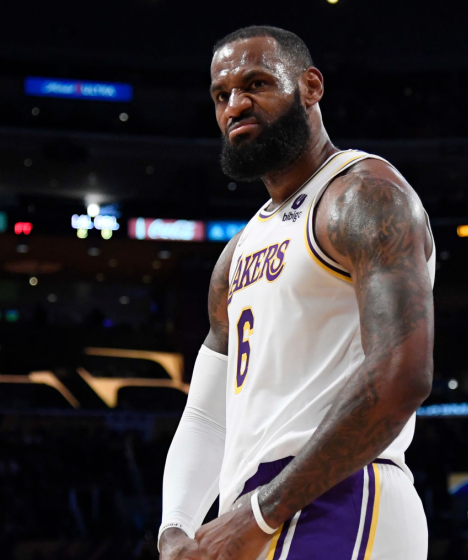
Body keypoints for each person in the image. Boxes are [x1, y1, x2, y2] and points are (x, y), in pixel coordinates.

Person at [158, 25, 435, 560]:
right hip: (251, 513)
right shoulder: (237, 252)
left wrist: (261, 511)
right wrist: (176, 527)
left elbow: (401, 377)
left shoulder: (364, 194)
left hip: (344, 493)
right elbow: (206, 416)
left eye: (256, 84)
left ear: (310, 87)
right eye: (221, 96)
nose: (235, 105)